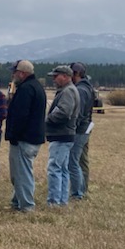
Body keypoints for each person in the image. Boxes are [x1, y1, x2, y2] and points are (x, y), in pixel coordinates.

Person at [4, 60, 46, 213]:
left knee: (22, 173)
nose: (13, 75)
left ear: (21, 73)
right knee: (19, 172)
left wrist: (13, 134)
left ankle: (27, 206)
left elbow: (20, 115)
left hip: (24, 138)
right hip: (33, 137)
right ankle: (17, 202)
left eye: (14, 72)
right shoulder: (36, 87)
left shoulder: (26, 89)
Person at [45, 65, 80, 207]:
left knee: (54, 168)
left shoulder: (68, 91)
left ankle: (54, 201)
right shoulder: (70, 90)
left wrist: (47, 119)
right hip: (66, 135)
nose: (53, 79)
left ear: (65, 76)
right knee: (63, 169)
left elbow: (64, 113)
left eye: (56, 76)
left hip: (61, 135)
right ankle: (62, 201)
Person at [69, 62, 95, 200]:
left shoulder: (80, 90)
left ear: (76, 73)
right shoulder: (88, 87)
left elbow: (79, 112)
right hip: (86, 128)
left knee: (74, 161)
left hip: (80, 130)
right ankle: (83, 189)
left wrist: (72, 128)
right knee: (82, 160)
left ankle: (78, 191)